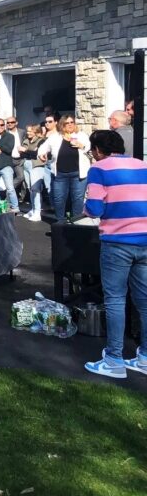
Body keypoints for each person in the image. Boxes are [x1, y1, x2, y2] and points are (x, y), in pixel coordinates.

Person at [83, 129, 147, 379]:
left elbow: (95, 207)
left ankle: (113, 359)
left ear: (98, 150)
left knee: (115, 300)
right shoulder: (142, 165)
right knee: (144, 301)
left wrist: (87, 209)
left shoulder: (99, 169)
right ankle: (144, 358)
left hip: (117, 241)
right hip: (144, 238)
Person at [39, 114, 91, 222]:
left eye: (72, 122)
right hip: (60, 174)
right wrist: (41, 153)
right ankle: (60, 224)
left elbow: (88, 146)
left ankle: (77, 224)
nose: (70, 125)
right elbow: (43, 147)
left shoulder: (81, 135)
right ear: (62, 125)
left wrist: (82, 146)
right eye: (67, 123)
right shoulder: (55, 137)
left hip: (78, 174)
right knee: (59, 199)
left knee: (77, 199)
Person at [20, 124, 46, 222]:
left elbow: (36, 154)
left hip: (36, 166)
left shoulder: (41, 141)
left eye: (30, 131)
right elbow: (21, 154)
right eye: (27, 131)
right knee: (30, 189)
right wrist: (27, 152)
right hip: (26, 164)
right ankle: (33, 209)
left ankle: (37, 212)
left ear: (36, 132)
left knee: (36, 189)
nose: (28, 133)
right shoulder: (26, 141)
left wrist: (26, 151)